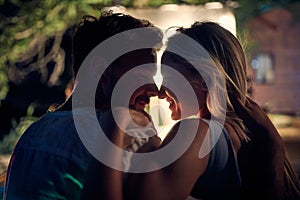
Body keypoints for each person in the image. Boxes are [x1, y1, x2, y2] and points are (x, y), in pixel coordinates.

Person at [125, 21, 300, 200]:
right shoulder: (246, 135)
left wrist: (132, 130)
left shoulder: (196, 132)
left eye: (168, 76)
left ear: (202, 78)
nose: (160, 92)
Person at [4, 11, 162, 200]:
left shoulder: (32, 135)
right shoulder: (129, 133)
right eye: (141, 75)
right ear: (98, 69)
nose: (155, 91)